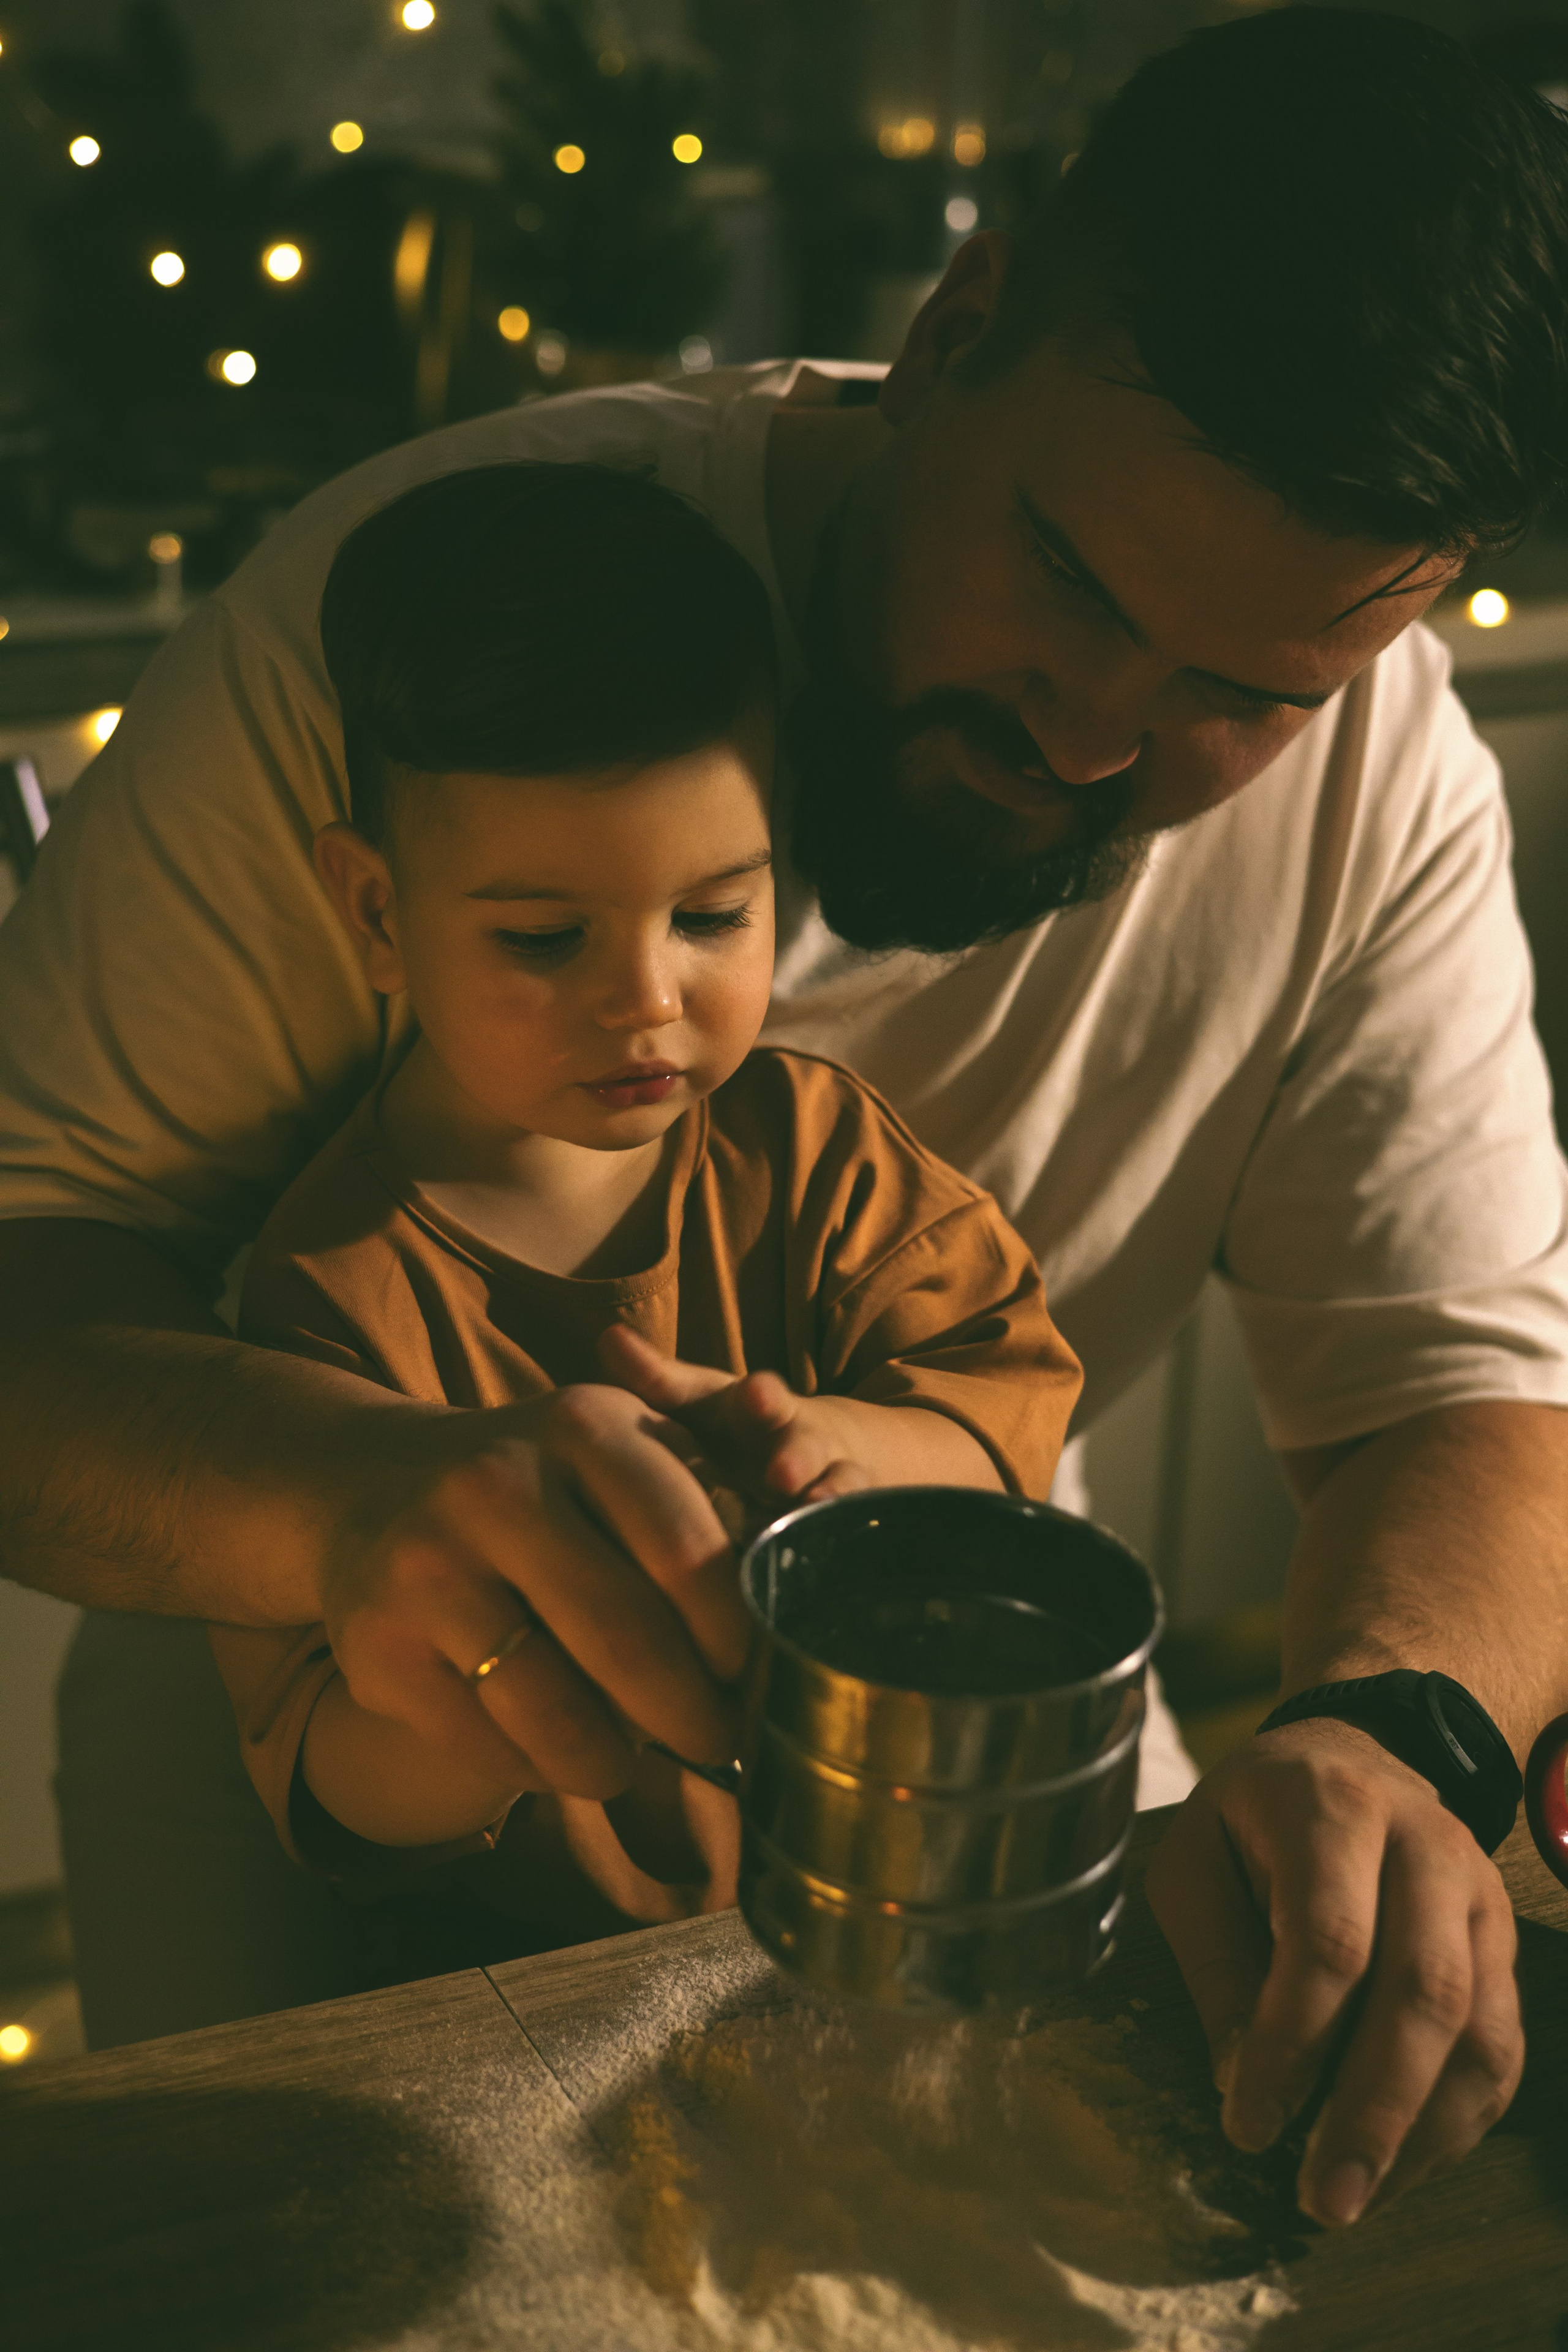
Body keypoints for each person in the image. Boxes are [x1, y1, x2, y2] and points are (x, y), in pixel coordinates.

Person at [3, 7, 1566, 2233]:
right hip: (320, 1776)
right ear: (964, 319)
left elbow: (1460, 1382)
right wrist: (360, 1498)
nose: (1102, 740)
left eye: (1245, 696)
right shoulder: (419, 633)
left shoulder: (1385, 772)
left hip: (980, 1711)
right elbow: (24, 1291)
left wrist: (1397, 1734)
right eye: (1077, 587)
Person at [207, 458, 1081, 1958]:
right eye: (545, 937)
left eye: (711, 917)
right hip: (516, 1992)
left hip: (865, 1920)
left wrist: (824, 1454)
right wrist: (506, 1674)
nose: (646, 1001)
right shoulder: (324, 1288)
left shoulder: (814, 1150)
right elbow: (327, 1783)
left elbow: (1003, 1427)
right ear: (374, 915)